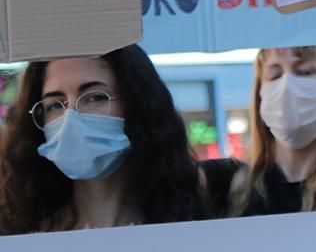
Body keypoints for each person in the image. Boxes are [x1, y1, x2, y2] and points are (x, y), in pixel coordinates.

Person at [0, 45, 211, 233]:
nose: (71, 117)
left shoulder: (200, 212)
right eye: (55, 105)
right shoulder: (19, 231)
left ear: (136, 104)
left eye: (95, 97)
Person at [202, 45, 316, 217]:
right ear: (260, 95)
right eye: (275, 75)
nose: (286, 86)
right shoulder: (229, 185)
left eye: (304, 72)